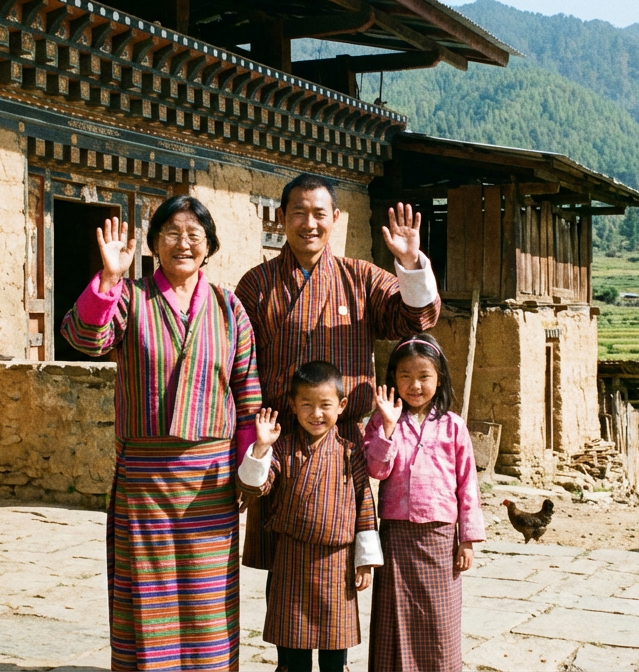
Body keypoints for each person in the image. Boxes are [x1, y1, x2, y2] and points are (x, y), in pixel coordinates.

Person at [60, 195, 260, 671]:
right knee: (148, 594)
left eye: (195, 235)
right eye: (171, 233)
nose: (183, 243)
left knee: (207, 597)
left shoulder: (230, 309)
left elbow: (247, 395)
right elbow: (84, 339)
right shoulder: (130, 297)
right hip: (145, 481)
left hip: (210, 484)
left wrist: (251, 471)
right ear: (152, 244)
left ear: (209, 245)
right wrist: (108, 279)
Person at [236, 173, 440, 572]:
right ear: (281, 216)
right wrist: (249, 443)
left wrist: (411, 263)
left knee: (341, 567)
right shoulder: (257, 285)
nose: (309, 223)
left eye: (319, 213)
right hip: (280, 444)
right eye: (298, 213)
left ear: (336, 217)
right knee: (284, 575)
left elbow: (419, 316)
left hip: (344, 447)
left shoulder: (360, 278)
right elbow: (239, 367)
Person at [235, 361, 382, 672]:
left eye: (325, 405)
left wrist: (365, 559)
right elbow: (255, 485)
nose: (316, 414)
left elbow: (365, 505)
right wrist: (261, 447)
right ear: (292, 405)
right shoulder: (283, 449)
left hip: (337, 566)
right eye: (307, 405)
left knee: (334, 653)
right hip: (290, 562)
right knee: (293, 655)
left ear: (341, 406)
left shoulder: (350, 453)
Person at [363, 334, 485, 672]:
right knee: (394, 621)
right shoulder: (381, 420)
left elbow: (467, 486)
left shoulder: (452, 426)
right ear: (392, 379)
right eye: (405, 376)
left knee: (438, 624)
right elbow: (376, 469)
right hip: (396, 537)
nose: (414, 385)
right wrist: (387, 428)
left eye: (424, 376)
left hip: (440, 539)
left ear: (440, 378)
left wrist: (467, 539)